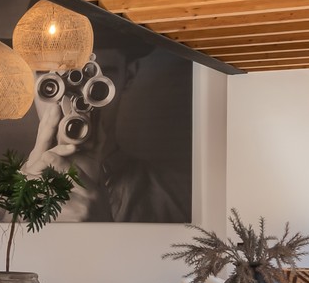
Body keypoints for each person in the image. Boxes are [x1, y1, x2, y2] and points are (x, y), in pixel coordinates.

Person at [19, 54, 186, 223]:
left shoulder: (181, 200)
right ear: (30, 78)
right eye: (50, 79)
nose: (71, 98)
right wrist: (15, 213)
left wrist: (103, 232)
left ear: (127, 75)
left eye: (96, 79)